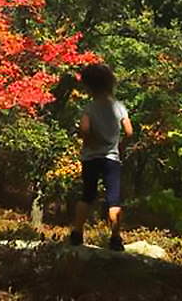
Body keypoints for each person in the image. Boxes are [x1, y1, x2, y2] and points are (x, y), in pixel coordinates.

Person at [70, 63, 134, 251]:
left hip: (90, 158)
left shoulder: (89, 109)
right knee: (113, 199)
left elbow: (84, 130)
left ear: (89, 87)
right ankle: (115, 238)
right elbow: (129, 132)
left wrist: (89, 139)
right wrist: (121, 146)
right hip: (111, 158)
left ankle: (77, 233)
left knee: (87, 195)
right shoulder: (119, 107)